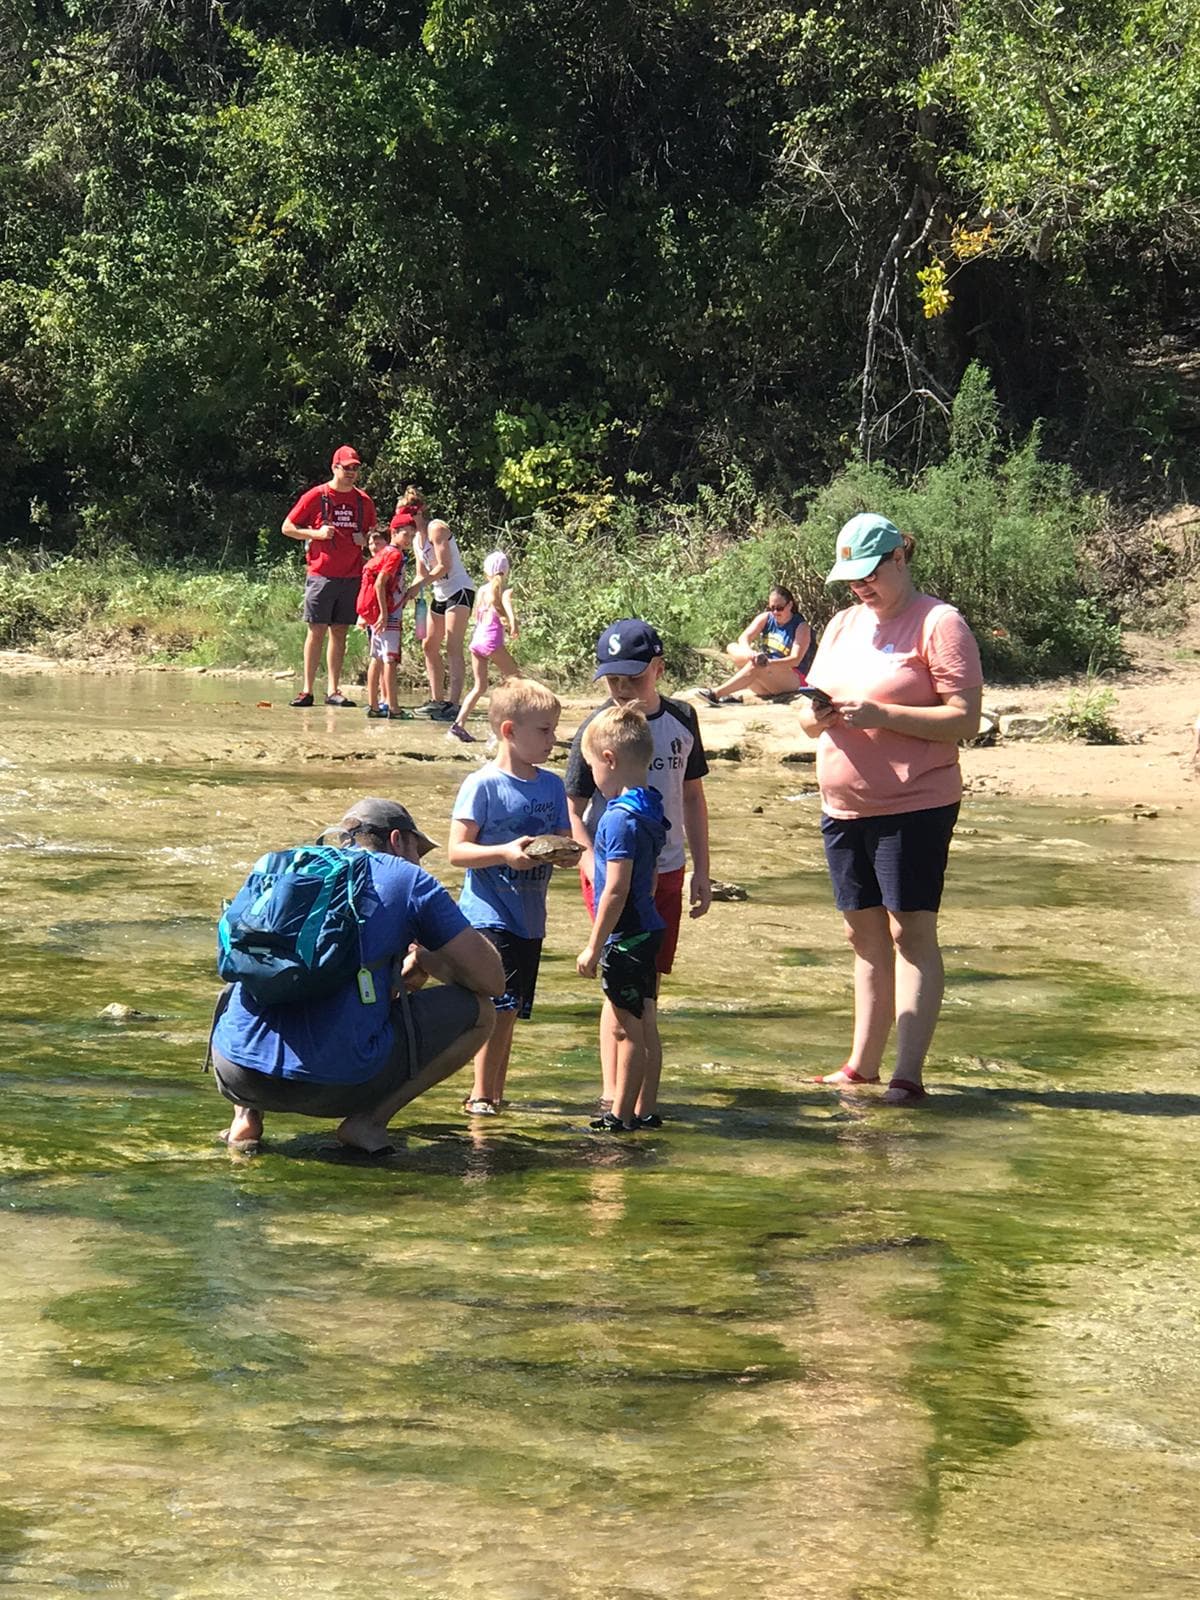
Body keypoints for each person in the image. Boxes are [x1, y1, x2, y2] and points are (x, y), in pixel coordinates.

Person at [798, 513, 982, 1104]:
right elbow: (804, 717)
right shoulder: (841, 625)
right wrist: (817, 715)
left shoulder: (939, 623)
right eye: (850, 578)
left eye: (869, 574)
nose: (859, 587)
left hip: (915, 803)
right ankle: (861, 1065)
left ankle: (908, 1075)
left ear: (899, 558)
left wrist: (883, 716)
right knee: (862, 935)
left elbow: (965, 720)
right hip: (843, 805)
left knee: (911, 932)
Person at [211, 797, 505, 1156]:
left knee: (245, 979)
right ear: (398, 840)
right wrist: (427, 958)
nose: (419, 861)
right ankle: (368, 1122)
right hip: (335, 1085)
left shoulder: (287, 865)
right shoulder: (408, 879)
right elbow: (492, 982)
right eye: (418, 850)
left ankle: (246, 1119)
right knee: (482, 1012)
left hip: (237, 1073)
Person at [565, 619, 712, 1125]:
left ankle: (634, 1103)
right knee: (622, 988)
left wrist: (702, 869)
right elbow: (573, 802)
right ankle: (615, 1096)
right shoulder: (596, 728)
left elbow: (692, 796)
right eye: (613, 680)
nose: (623, 690)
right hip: (608, 868)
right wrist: (587, 858)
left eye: (633, 678)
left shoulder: (682, 720)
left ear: (658, 669)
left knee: (643, 989)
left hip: (662, 868)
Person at [447, 680, 572, 1115]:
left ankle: (495, 1092)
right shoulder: (482, 785)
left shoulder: (553, 787)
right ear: (508, 731)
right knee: (496, 1003)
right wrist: (504, 852)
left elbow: (565, 842)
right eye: (543, 731)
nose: (552, 740)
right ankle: (480, 1093)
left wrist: (563, 855)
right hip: (487, 911)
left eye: (554, 730)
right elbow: (456, 852)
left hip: (530, 915)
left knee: (513, 1007)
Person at [575, 706, 668, 1133]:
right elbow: (648, 883)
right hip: (650, 928)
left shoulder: (616, 818)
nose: (592, 775)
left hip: (627, 936)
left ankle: (621, 1115)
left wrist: (595, 945)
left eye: (592, 765)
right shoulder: (651, 807)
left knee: (626, 1030)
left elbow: (616, 888)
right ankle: (646, 1108)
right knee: (647, 1022)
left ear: (609, 759)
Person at [282, 445, 376, 708]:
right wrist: (317, 534)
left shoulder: (364, 501)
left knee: (340, 632)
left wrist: (365, 540)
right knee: (316, 630)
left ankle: (334, 690)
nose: (352, 473)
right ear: (335, 467)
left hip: (351, 574)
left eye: (356, 468)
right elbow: (288, 527)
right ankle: (307, 690)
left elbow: (375, 537)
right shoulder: (317, 495)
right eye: (347, 468)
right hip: (321, 573)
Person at [697, 585, 816, 705]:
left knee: (757, 664)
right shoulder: (766, 618)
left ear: (790, 605)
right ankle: (754, 668)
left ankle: (716, 694)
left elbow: (795, 660)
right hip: (766, 680)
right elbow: (744, 637)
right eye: (772, 608)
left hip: (791, 677)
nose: (775, 612)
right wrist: (750, 653)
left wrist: (767, 662)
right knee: (732, 647)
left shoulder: (801, 626)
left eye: (779, 608)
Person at [448, 550, 522, 743]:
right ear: (506, 571)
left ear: (486, 571)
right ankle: (513, 723)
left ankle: (459, 724)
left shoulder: (481, 590)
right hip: (491, 642)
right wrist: (513, 626)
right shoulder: (505, 591)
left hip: (476, 642)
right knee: (516, 680)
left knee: (479, 686)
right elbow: (510, 614)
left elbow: (476, 616)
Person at [411, 513, 475, 722]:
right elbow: (421, 573)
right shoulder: (416, 540)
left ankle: (454, 704)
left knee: (452, 646)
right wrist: (407, 591)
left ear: (418, 513)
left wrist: (420, 584)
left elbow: (444, 565)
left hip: (458, 590)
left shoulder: (436, 528)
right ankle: (437, 699)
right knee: (429, 645)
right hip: (439, 594)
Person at [356, 530, 401, 720]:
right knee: (386, 658)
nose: (375, 547)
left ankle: (378, 702)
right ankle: (390, 705)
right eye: (371, 543)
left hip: (375, 613)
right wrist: (382, 613)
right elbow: (379, 586)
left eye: (378, 542)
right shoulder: (389, 558)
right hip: (383, 613)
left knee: (378, 657)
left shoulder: (372, 563)